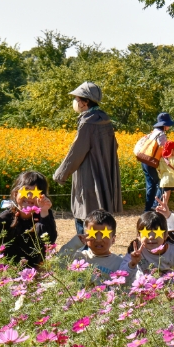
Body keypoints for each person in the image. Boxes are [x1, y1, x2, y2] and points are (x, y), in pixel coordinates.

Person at [54, 82, 122, 234]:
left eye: (78, 99)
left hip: (88, 175)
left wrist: (60, 174)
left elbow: (77, 152)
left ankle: (86, 251)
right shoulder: (105, 119)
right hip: (105, 173)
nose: (76, 102)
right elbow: (114, 146)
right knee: (101, 217)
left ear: (85, 102)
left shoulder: (87, 122)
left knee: (84, 215)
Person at [0, 171, 57, 269]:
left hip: (37, 269)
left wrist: (44, 211)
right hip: (9, 269)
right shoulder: (5, 218)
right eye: (26, 190)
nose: (29, 196)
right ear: (15, 193)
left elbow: (49, 241)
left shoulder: (44, 215)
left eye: (35, 192)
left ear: (43, 196)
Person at [121, 211, 174, 282]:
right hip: (143, 289)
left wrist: (173, 282)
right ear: (138, 236)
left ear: (165, 235)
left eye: (156, 233)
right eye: (146, 233)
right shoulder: (136, 252)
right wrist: (132, 263)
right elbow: (122, 276)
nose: (151, 237)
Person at [57, 209, 123, 279]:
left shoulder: (119, 263)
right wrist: (75, 243)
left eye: (104, 235)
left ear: (113, 239)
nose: (98, 240)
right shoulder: (80, 258)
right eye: (93, 234)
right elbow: (59, 263)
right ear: (86, 235)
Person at [139, 112, 174, 212]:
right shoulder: (162, 135)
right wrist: (167, 162)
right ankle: (155, 206)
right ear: (164, 125)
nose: (169, 126)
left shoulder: (153, 132)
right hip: (151, 162)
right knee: (160, 184)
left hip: (144, 160)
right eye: (168, 124)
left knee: (150, 185)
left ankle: (147, 209)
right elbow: (164, 150)